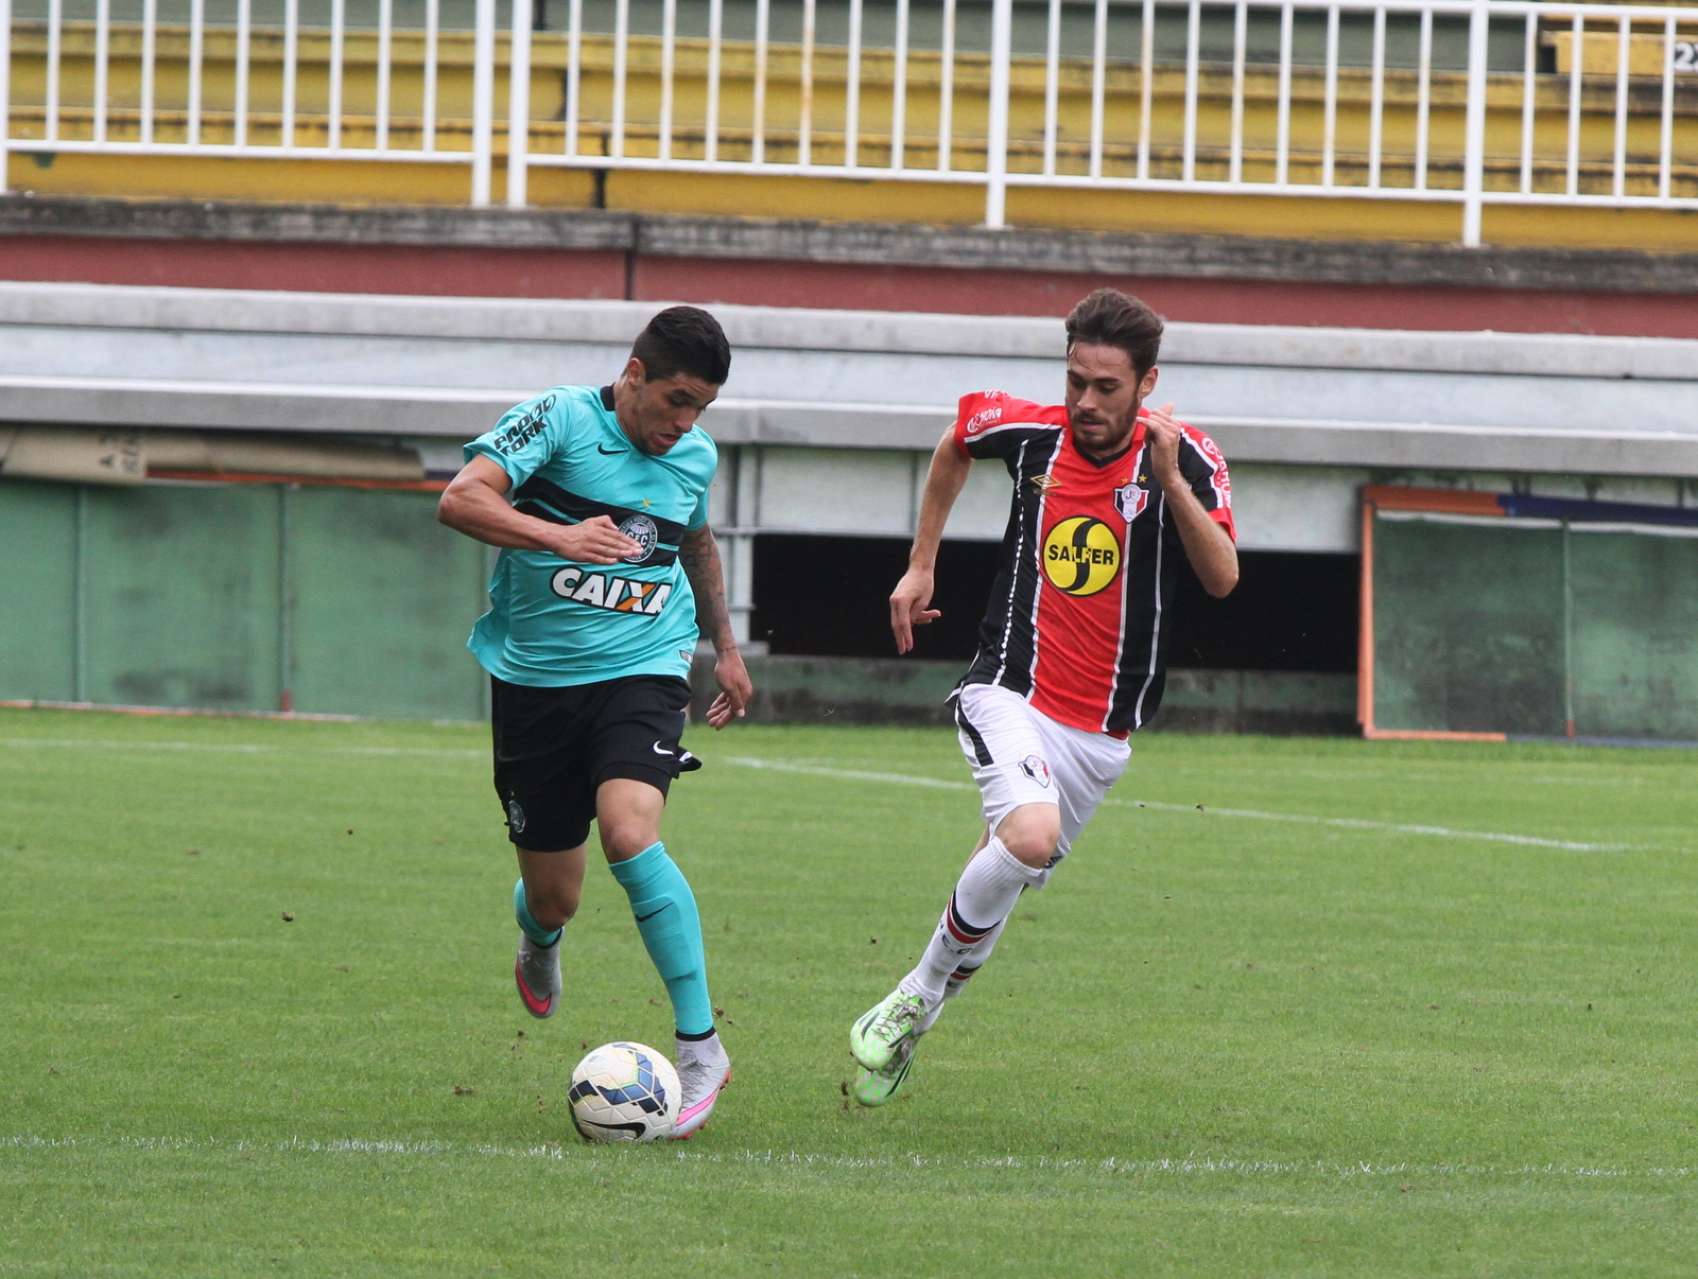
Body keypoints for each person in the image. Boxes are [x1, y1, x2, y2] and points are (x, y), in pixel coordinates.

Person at [847, 288, 1238, 1106]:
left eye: (1106, 387)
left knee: (1007, 871)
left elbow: (1222, 576)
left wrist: (1169, 483)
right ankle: (915, 990)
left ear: (1147, 382)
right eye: (1076, 382)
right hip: (1009, 687)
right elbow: (957, 441)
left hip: (1102, 734)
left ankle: (915, 1021)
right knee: (1028, 835)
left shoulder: (1188, 455)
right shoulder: (1030, 434)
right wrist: (922, 563)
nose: (1086, 402)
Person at [437, 305, 752, 1139]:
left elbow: (694, 539)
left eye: (701, 410)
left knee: (629, 830)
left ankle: (701, 1045)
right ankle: (538, 933)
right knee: (556, 890)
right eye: (675, 400)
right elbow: (460, 500)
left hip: (644, 664)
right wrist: (558, 536)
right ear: (635, 373)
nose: (683, 425)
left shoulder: (692, 453)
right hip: (536, 681)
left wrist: (725, 645)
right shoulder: (557, 419)